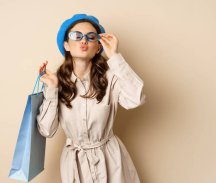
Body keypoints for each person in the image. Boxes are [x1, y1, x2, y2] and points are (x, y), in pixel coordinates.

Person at [36, 13, 146, 183]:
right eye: (76, 36)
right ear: (66, 44)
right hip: (75, 166)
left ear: (98, 46)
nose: (83, 40)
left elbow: (135, 99)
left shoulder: (110, 76)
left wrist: (115, 57)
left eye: (91, 36)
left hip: (111, 160)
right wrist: (51, 90)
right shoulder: (56, 82)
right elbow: (47, 131)